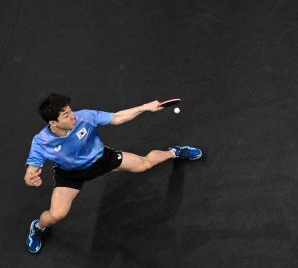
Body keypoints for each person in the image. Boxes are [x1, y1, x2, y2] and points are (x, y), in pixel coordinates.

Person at [24, 93, 203, 253]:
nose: (73, 116)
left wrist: (144, 107)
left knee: (145, 164)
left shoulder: (85, 117)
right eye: (66, 115)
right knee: (56, 215)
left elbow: (117, 118)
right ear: (53, 123)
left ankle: (174, 152)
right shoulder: (41, 142)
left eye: (70, 111)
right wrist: (31, 178)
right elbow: (30, 172)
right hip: (71, 174)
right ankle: (38, 227)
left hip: (102, 159)